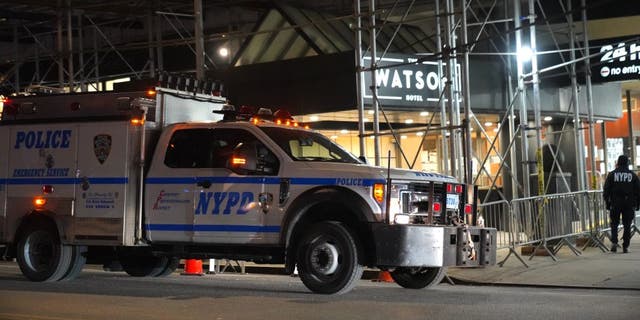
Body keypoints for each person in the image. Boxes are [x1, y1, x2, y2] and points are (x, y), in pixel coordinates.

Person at [603, 155, 640, 253]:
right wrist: (638, 204)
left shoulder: (612, 174)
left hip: (615, 202)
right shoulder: (632, 175)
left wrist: (607, 202)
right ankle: (626, 246)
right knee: (627, 224)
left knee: (614, 223)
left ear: (618, 163)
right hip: (628, 202)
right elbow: (638, 191)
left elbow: (606, 189)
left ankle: (614, 242)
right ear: (627, 163)